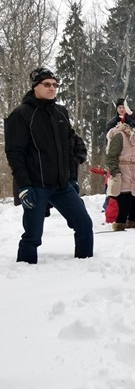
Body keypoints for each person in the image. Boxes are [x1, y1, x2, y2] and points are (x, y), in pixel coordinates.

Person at [5, 67, 94, 263]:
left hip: (62, 185)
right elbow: (15, 153)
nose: (52, 88)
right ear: (35, 86)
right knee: (33, 235)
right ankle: (26, 273)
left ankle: (86, 264)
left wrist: (71, 177)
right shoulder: (20, 115)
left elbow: (70, 144)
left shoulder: (60, 112)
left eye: (55, 85)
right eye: (47, 84)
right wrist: (24, 186)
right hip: (36, 185)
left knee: (84, 224)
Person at [106, 110, 135, 231]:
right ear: (134, 122)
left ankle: (133, 223)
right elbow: (112, 156)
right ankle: (120, 224)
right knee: (124, 200)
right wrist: (116, 172)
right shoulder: (119, 135)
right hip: (123, 171)